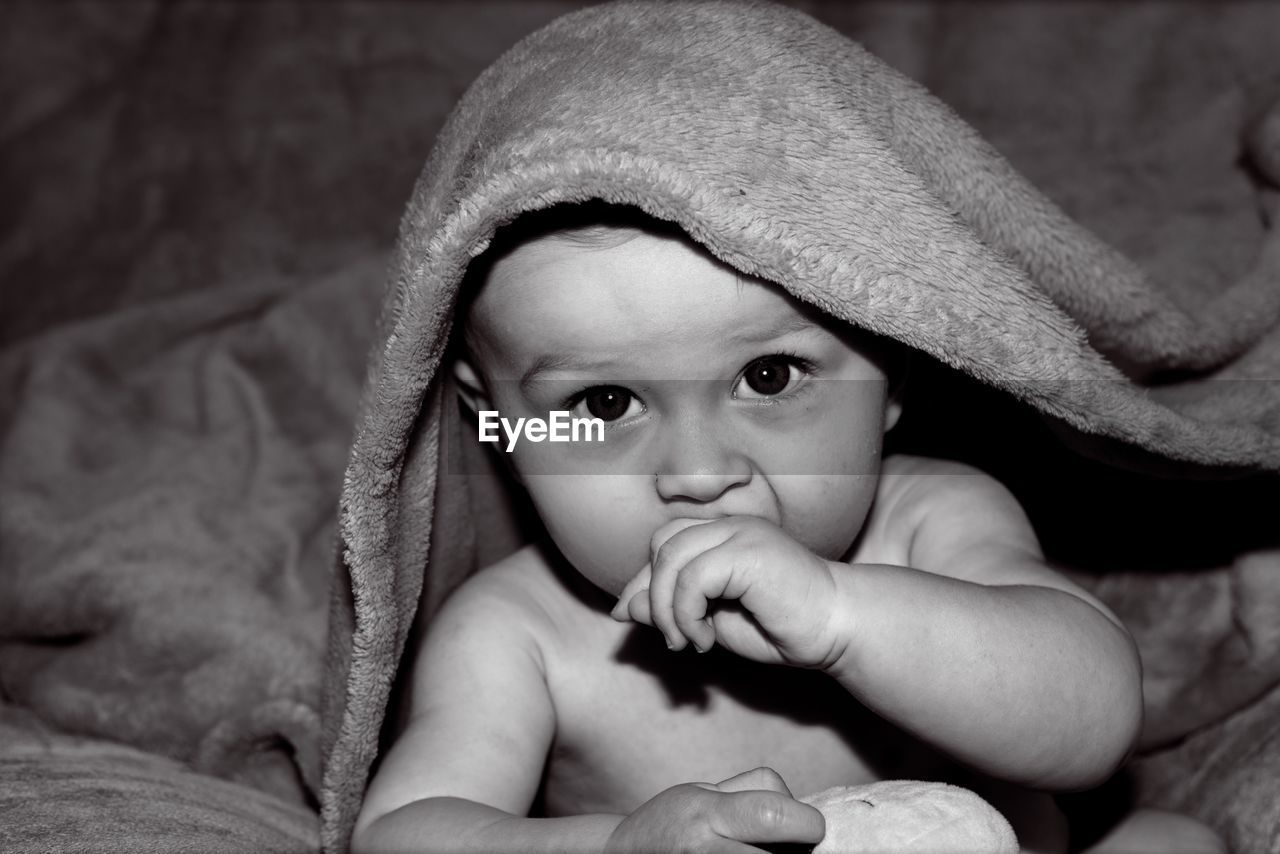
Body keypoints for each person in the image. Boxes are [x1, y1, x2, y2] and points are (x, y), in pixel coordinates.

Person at [349, 205, 1225, 854]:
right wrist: (615, 846)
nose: (699, 472)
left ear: (893, 375)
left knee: (1172, 844)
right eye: (603, 402)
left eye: (769, 376)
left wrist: (845, 617)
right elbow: (401, 833)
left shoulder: (929, 519)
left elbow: (1098, 721)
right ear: (500, 420)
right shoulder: (516, 631)